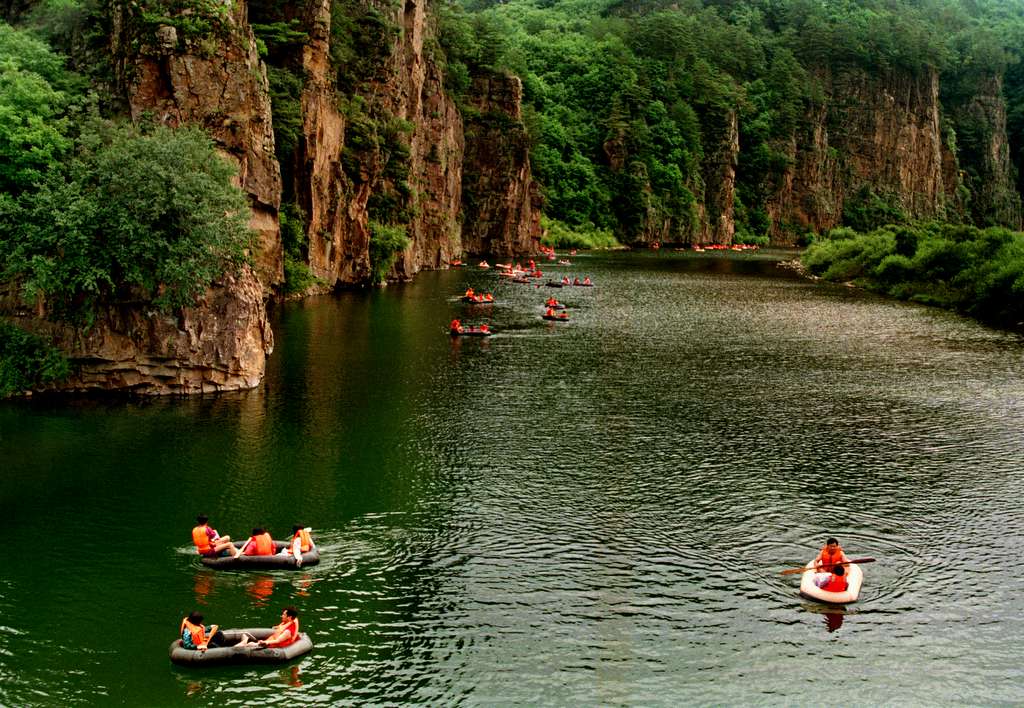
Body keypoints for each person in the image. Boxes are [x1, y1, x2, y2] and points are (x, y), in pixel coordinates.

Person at [180, 611, 253, 652]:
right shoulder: (187, 631)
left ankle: (225, 647)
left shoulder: (194, 625)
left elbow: (201, 630)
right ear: (196, 621)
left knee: (219, 634)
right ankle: (229, 649)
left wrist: (210, 627)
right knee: (213, 645)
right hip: (198, 647)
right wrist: (197, 647)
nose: (201, 623)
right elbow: (187, 645)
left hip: (202, 642)